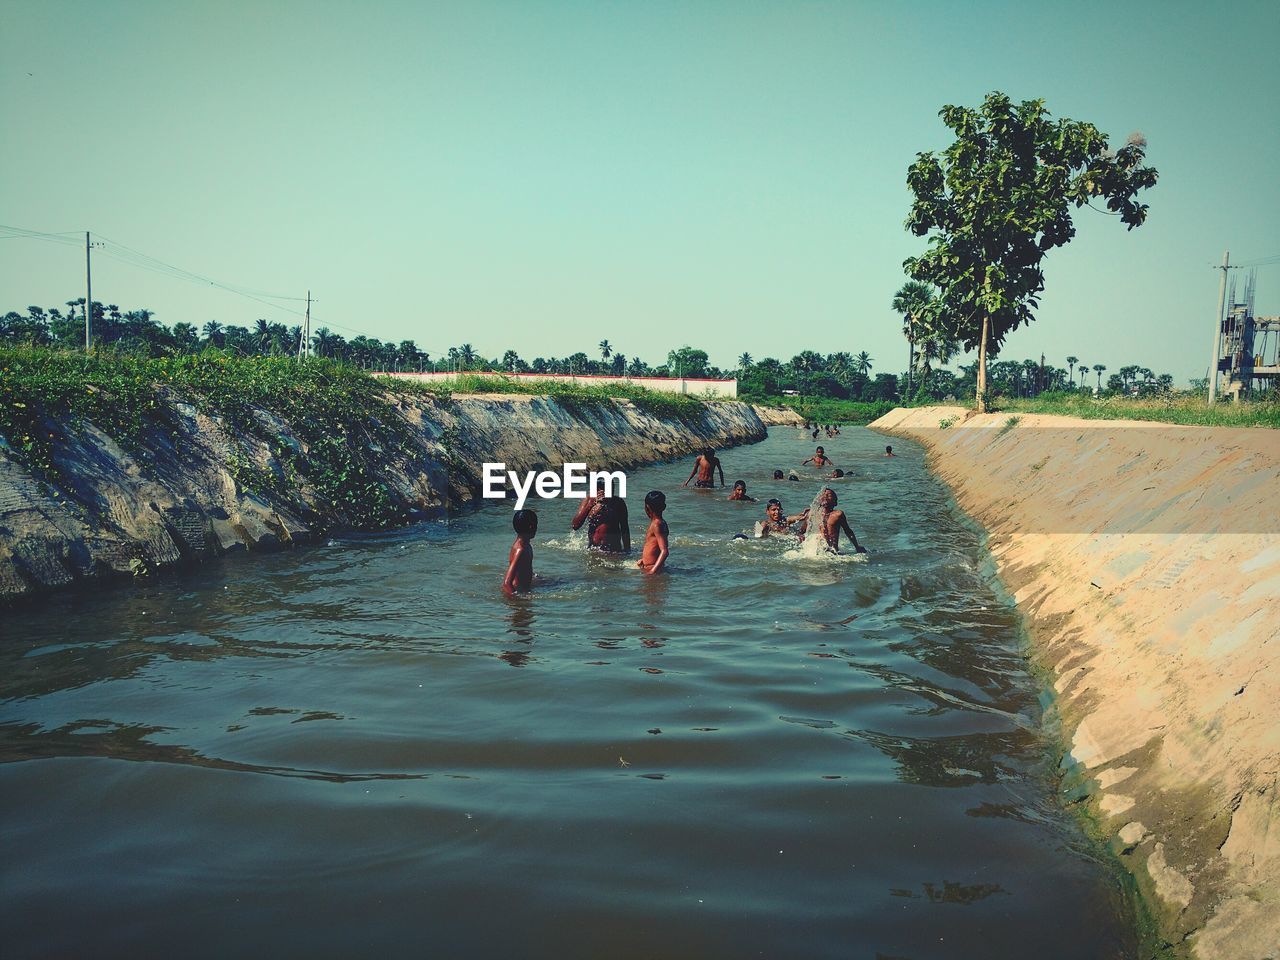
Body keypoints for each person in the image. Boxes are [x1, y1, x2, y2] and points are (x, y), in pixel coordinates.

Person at [809, 488, 867, 554]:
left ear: (835, 502)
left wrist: (857, 547)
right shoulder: (813, 514)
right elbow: (803, 530)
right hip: (818, 552)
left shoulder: (838, 514)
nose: (825, 497)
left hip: (833, 552)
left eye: (829, 495)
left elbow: (848, 531)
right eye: (823, 495)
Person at [503, 509, 538, 595]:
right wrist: (518, 601)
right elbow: (506, 583)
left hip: (525, 587)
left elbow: (522, 569)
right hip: (519, 590)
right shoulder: (520, 550)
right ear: (531, 527)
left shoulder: (526, 545)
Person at [638, 491, 670, 575]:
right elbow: (654, 547)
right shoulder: (661, 523)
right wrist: (644, 560)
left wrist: (652, 571)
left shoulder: (656, 524)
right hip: (652, 567)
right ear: (664, 507)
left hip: (653, 569)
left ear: (647, 507)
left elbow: (664, 551)